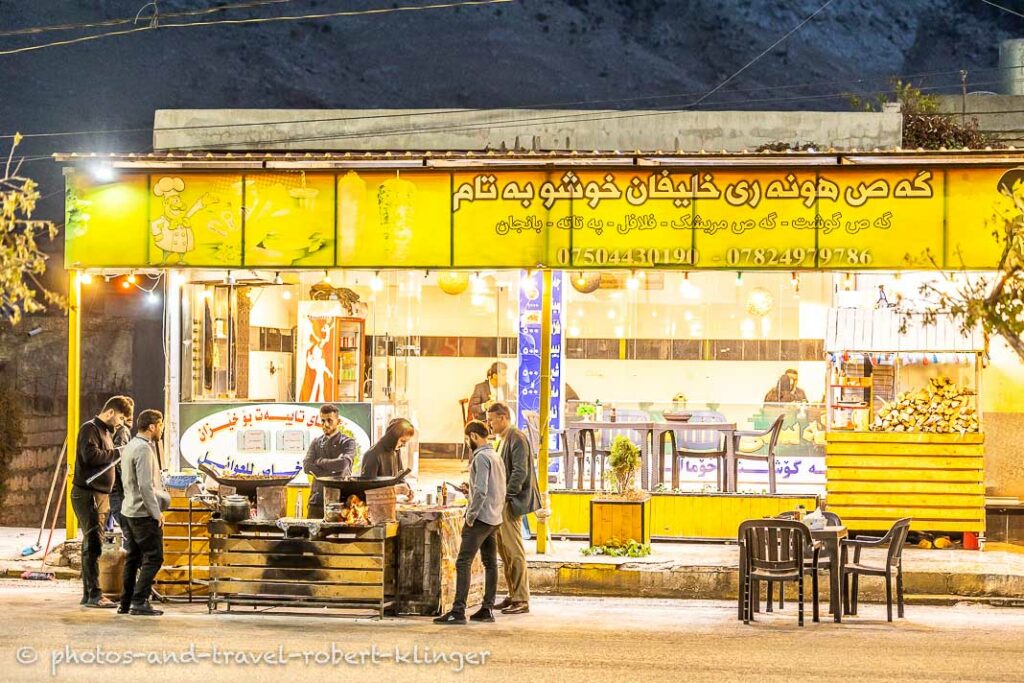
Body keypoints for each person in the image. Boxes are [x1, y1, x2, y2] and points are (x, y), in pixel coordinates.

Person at [434, 420, 506, 625]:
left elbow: (482, 491)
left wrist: (470, 517)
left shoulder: (481, 457)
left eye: (467, 439)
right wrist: (470, 490)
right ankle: (487, 608)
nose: (467, 443)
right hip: (494, 517)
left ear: (474, 436)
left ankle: (458, 611)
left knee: (463, 562)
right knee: (490, 563)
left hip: (481, 518)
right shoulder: (495, 456)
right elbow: (494, 487)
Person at [71, 395, 132, 608]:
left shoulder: (107, 432)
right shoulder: (90, 429)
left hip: (100, 495)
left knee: (93, 543)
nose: (121, 423)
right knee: (93, 544)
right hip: (88, 494)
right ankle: (94, 595)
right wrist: (117, 452)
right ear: (110, 412)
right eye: (121, 418)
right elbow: (90, 455)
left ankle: (90, 594)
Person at [486, 402, 542, 615]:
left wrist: (506, 497)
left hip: (510, 503)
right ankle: (512, 594)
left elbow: (519, 472)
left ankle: (521, 599)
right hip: (503, 502)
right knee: (505, 551)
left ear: (502, 418)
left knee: (514, 550)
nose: (490, 425)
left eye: (491, 420)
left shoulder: (516, 438)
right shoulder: (503, 439)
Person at [118, 409, 170, 616]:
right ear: (152, 427)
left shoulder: (131, 446)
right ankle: (139, 601)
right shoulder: (144, 450)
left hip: (128, 510)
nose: (161, 429)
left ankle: (126, 602)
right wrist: (156, 513)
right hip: (142, 514)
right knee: (154, 557)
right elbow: (146, 486)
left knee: (133, 558)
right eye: (161, 425)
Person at [302, 404, 357, 518]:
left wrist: (319, 461)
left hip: (340, 501)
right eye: (322, 421)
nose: (325, 424)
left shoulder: (348, 442)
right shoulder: (316, 442)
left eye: (329, 421)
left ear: (338, 421)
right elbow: (307, 466)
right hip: (317, 500)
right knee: (312, 533)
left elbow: (343, 464)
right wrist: (332, 471)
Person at [106, 397, 135, 532]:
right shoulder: (123, 431)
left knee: (114, 513)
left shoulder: (115, 430)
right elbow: (118, 456)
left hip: (112, 482)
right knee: (119, 514)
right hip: (117, 483)